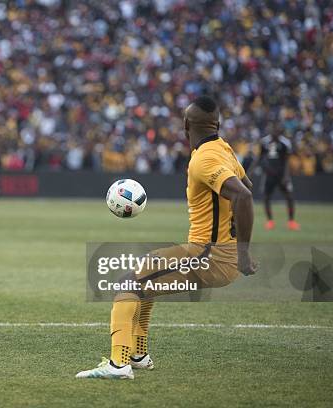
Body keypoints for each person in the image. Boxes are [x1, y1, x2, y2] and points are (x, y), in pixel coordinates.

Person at [76, 96, 257, 379]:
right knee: (145, 277)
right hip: (216, 253)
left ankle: (118, 365)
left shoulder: (205, 159)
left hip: (209, 257)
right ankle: (137, 355)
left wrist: (243, 252)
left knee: (127, 284)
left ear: (185, 125)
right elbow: (247, 186)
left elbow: (243, 195)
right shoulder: (224, 149)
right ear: (217, 124)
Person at [255, 128, 300, 231]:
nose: (274, 133)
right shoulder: (265, 141)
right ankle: (270, 221)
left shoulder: (285, 143)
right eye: (273, 130)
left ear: (280, 132)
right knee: (266, 197)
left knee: (289, 196)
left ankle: (291, 221)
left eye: (276, 130)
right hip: (269, 174)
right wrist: (252, 170)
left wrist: (286, 176)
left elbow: (286, 160)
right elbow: (260, 157)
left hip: (281, 174)